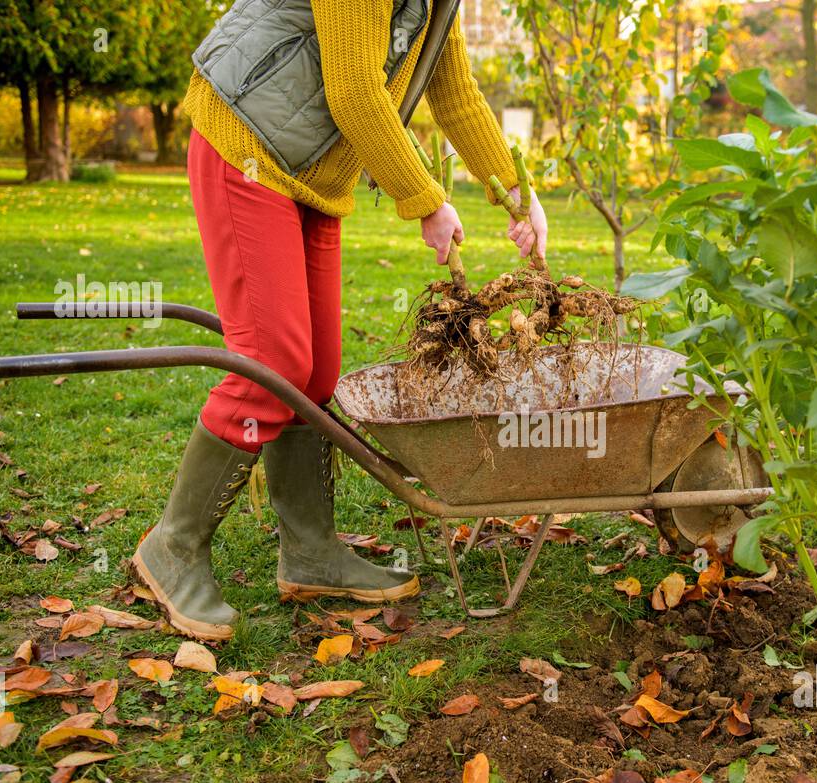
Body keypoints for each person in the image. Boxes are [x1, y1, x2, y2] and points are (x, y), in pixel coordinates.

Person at [130, 0, 550, 641]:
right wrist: (425, 199)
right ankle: (173, 546)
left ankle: (311, 552)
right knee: (273, 362)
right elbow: (354, 91)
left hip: (311, 174)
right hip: (245, 148)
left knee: (317, 371)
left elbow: (455, 94)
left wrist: (518, 193)